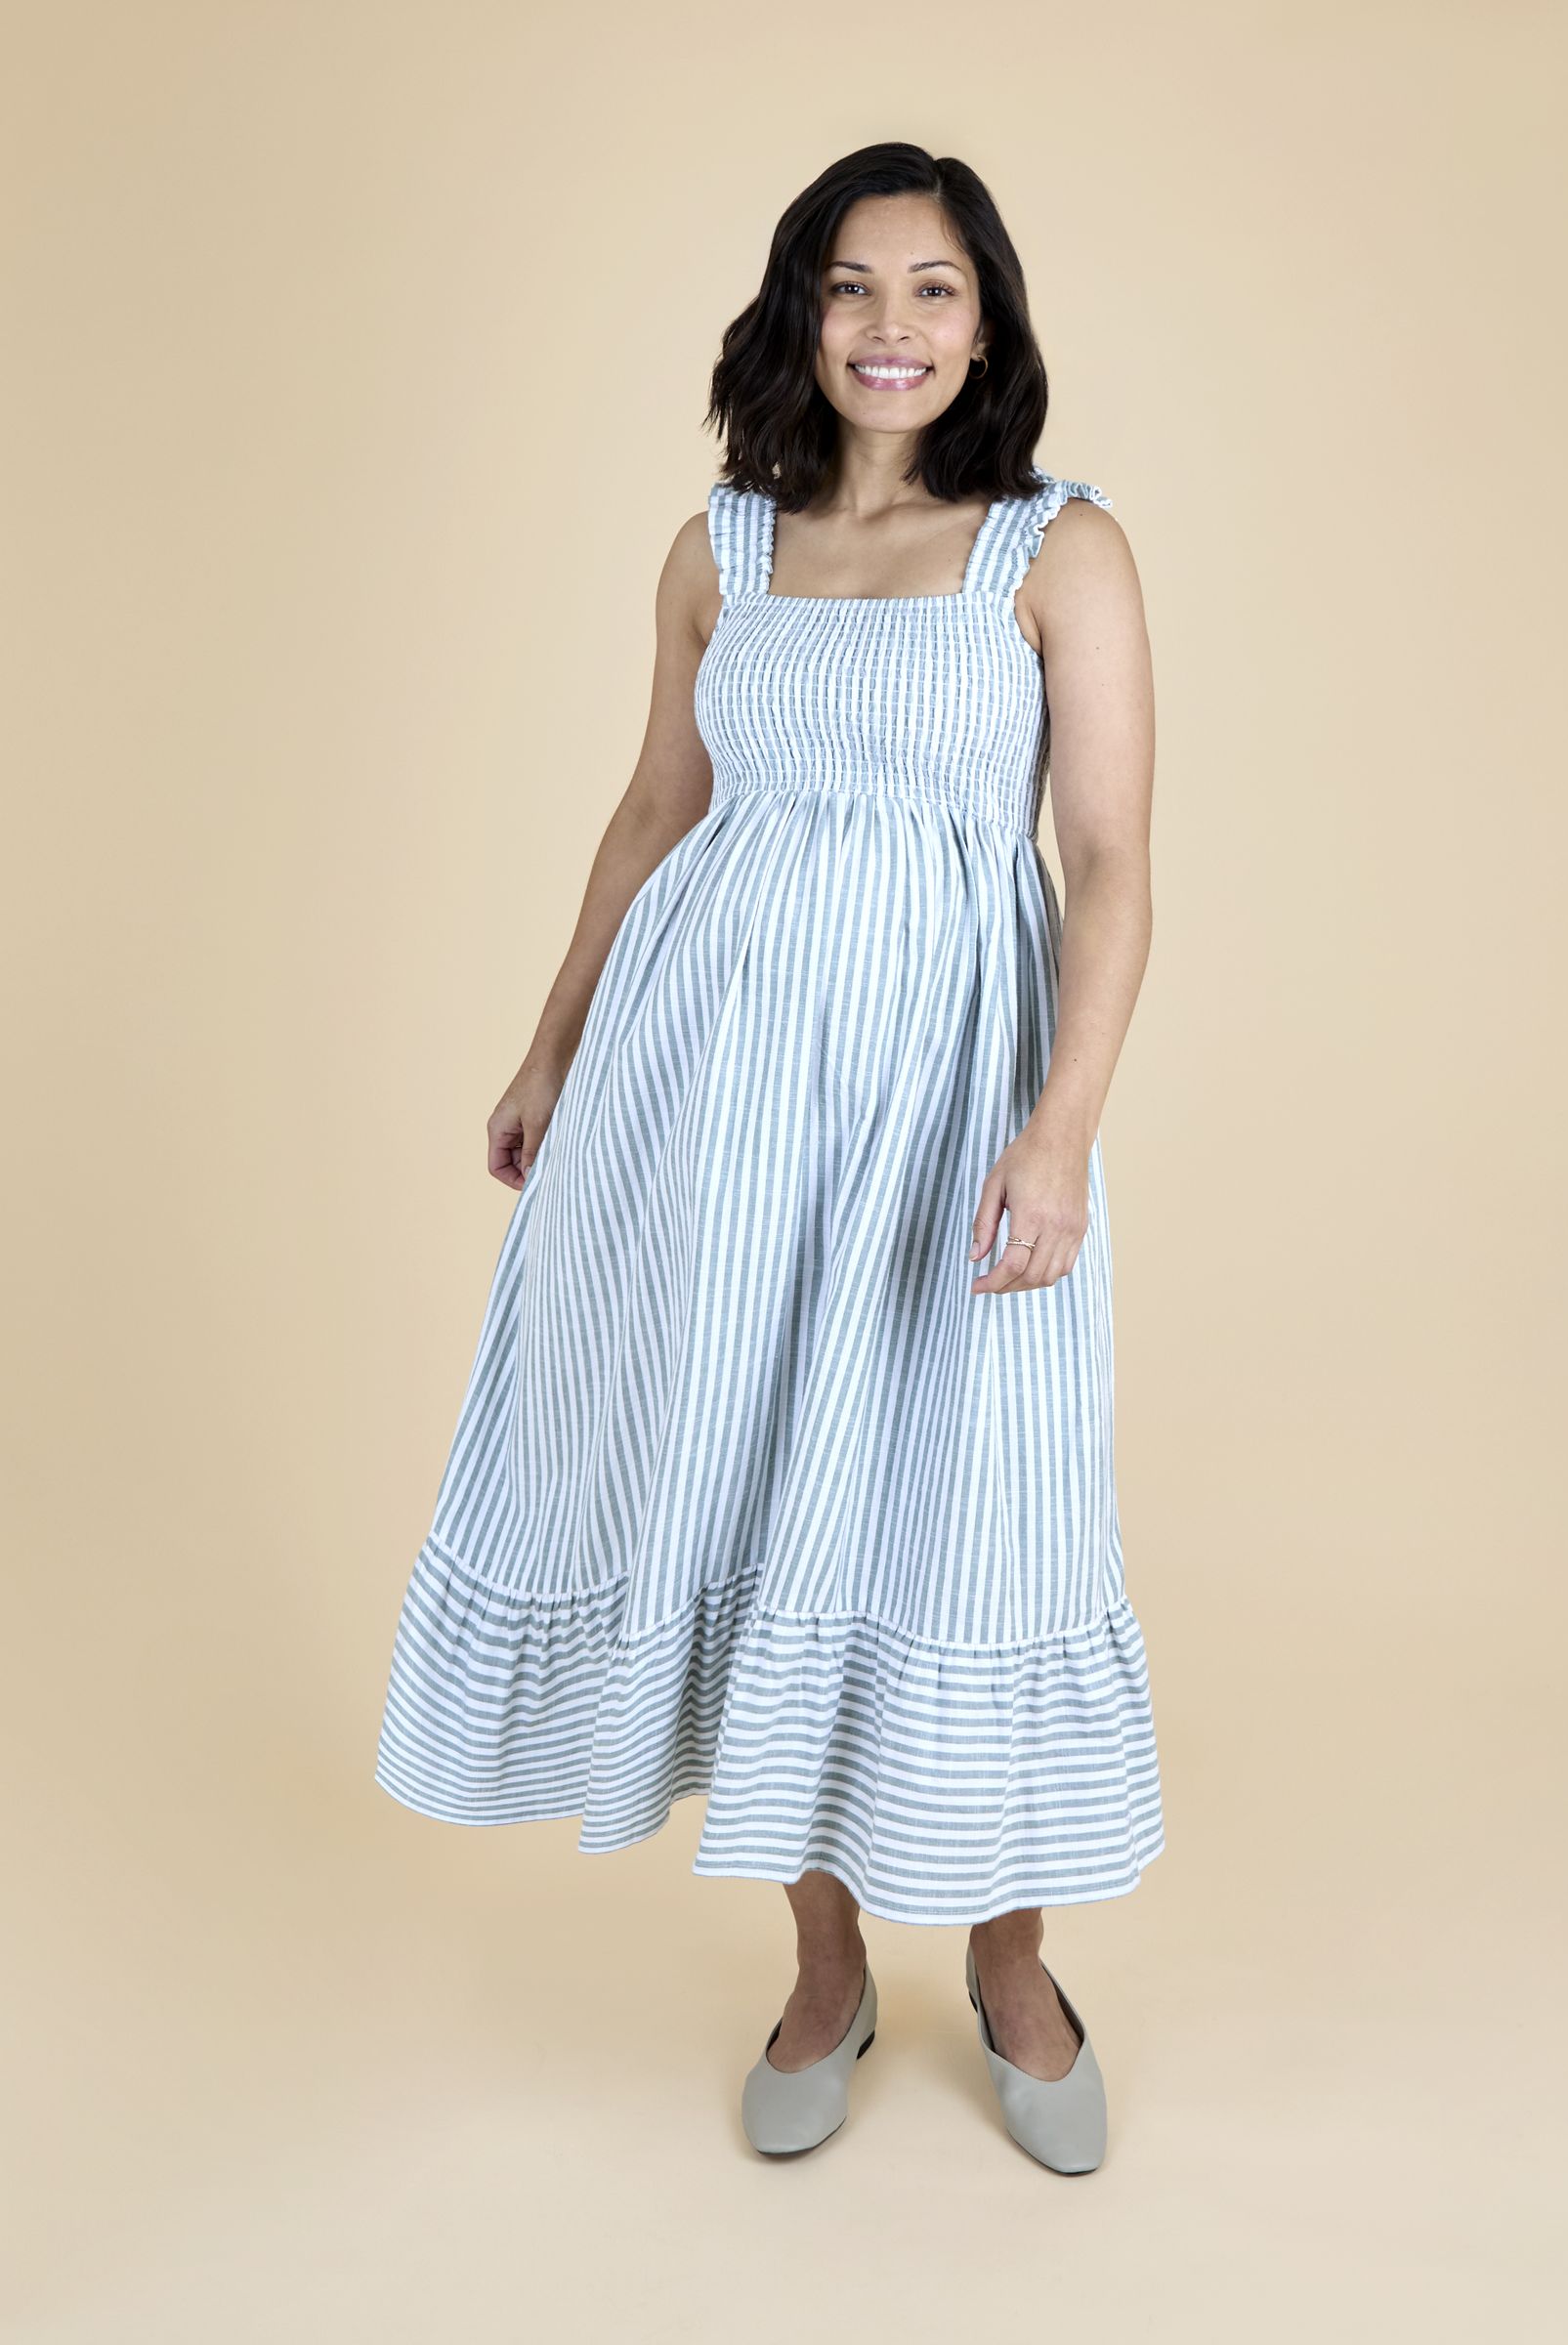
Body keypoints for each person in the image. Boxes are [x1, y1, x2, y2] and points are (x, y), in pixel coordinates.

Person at [373, 140, 1165, 2174]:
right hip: (713, 1095)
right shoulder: (722, 545)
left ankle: (1011, 1968)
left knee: (973, 1513)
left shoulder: (1059, 549)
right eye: (850, 286)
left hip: (950, 1099)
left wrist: (1062, 1132)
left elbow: (1106, 862)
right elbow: (656, 809)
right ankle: (823, 1967)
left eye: (932, 290)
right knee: (745, 1489)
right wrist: (553, 1042)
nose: (890, 327)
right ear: (799, 314)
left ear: (985, 324)